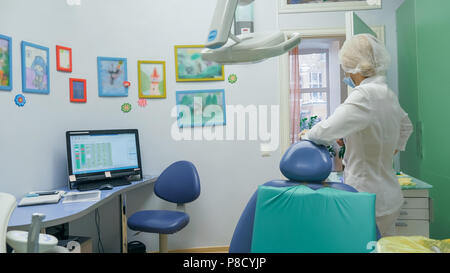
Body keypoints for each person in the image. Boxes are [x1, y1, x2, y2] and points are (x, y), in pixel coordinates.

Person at [300, 34, 413, 237]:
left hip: (368, 196)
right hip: (389, 195)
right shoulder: (386, 93)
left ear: (353, 66)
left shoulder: (364, 95)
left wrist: (307, 134)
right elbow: (406, 126)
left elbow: (325, 130)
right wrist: (384, 148)